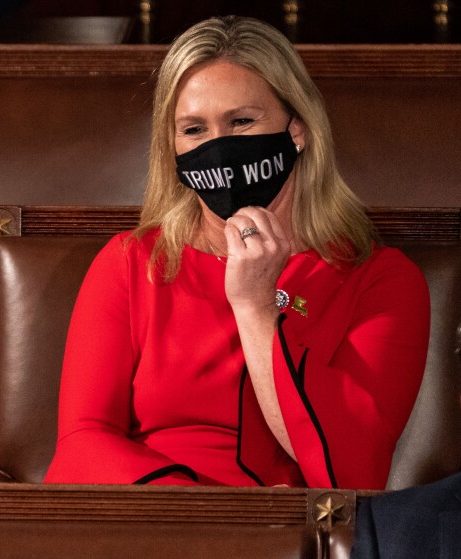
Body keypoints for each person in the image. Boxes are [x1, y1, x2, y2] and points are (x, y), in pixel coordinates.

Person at [43, 15, 430, 489]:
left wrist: (256, 308)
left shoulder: (379, 279)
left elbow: (352, 472)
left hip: (287, 537)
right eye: (193, 130)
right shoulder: (132, 262)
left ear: (298, 130)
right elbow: (83, 443)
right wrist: (205, 522)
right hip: (150, 520)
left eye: (241, 122)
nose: (218, 148)